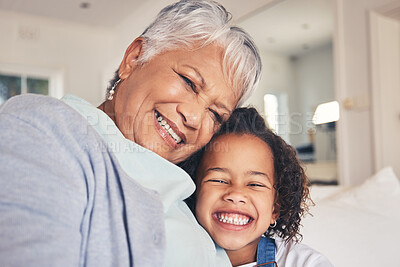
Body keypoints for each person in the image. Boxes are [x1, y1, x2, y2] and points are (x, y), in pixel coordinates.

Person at [0, 1, 261, 266]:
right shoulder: (45, 127)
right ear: (133, 58)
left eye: (215, 114)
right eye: (189, 83)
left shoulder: (193, 201)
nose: (194, 118)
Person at [180, 108, 333, 267]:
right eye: (219, 180)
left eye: (254, 184)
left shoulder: (305, 263)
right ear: (193, 192)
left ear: (275, 208)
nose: (236, 194)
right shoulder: (170, 255)